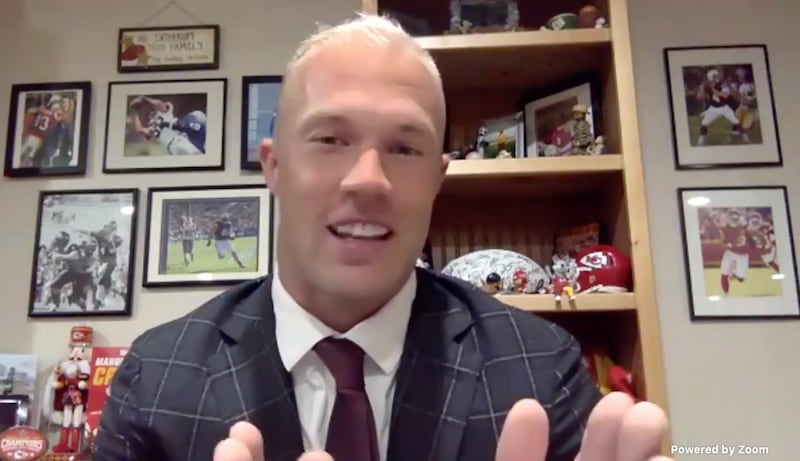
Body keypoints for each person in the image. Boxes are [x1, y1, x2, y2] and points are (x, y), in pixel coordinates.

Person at [94, 13, 672, 461]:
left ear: (438, 179)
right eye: (330, 139)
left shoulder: (541, 370)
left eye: (404, 148)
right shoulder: (157, 380)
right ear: (274, 166)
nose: (368, 179)